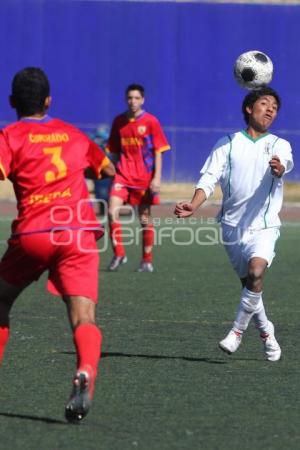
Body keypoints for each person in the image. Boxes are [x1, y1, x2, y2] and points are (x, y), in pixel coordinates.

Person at [0, 67, 115, 422]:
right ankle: (85, 369)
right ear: (48, 101)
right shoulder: (72, 134)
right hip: (79, 234)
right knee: (84, 316)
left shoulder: (10, 135)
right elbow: (107, 170)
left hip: (34, 234)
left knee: (0, 301)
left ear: (11, 102)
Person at [175, 87, 293, 361]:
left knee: (255, 272)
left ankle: (237, 332)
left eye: (275, 106)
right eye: (264, 103)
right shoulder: (226, 144)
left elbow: (285, 163)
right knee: (251, 287)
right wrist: (194, 204)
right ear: (249, 109)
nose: (271, 109)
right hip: (231, 228)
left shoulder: (279, 145)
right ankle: (266, 331)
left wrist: (280, 168)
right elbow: (208, 178)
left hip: (264, 226)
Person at [106, 84, 170, 272]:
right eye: (129, 98)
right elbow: (114, 151)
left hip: (143, 178)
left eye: (136, 98)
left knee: (144, 218)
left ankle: (146, 260)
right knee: (111, 212)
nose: (132, 101)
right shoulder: (119, 122)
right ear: (126, 100)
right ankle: (119, 254)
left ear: (142, 100)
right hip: (122, 176)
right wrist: (110, 171)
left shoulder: (151, 122)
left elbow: (159, 150)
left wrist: (156, 178)